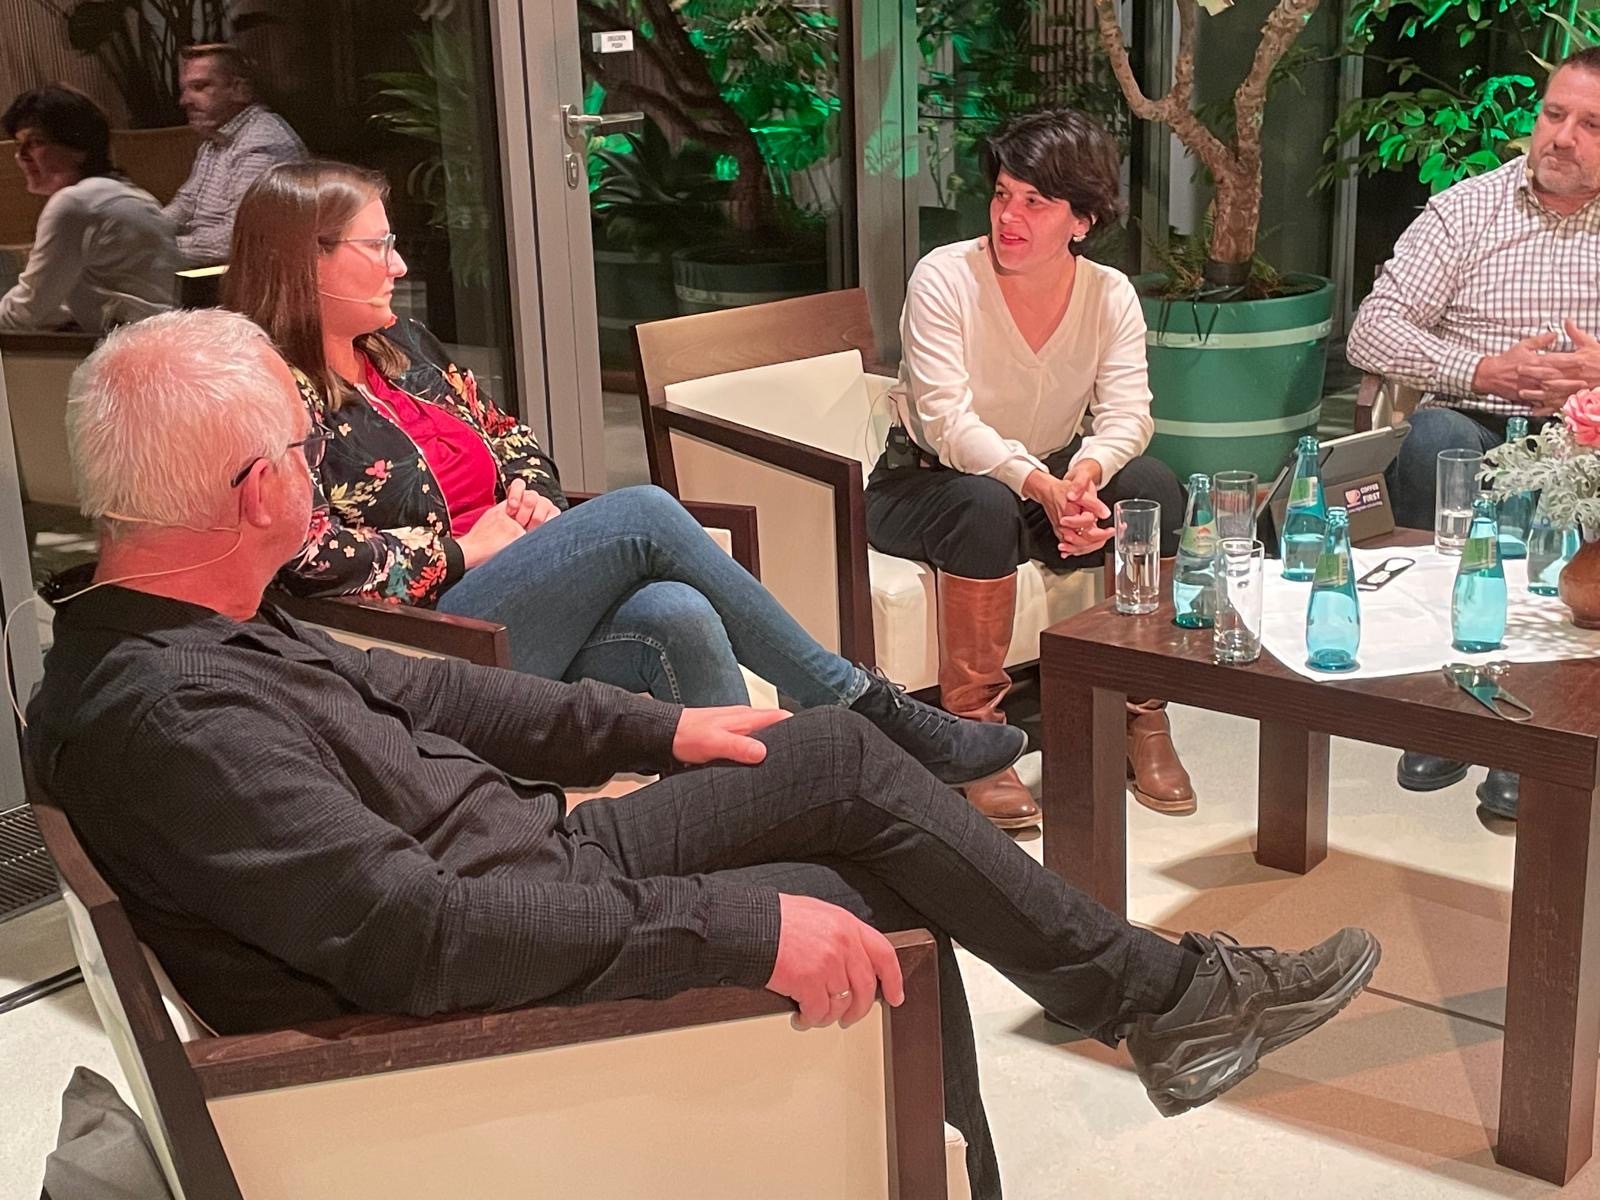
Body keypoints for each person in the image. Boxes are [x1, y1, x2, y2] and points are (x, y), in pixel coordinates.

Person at [24, 308, 1382, 1200]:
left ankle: (1130, 1020)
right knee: (848, 880)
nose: (321, 471)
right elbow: (421, 943)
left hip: (523, 871)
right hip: (475, 979)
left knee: (830, 758)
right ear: (255, 492)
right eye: (304, 451)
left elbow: (436, 704)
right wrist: (735, 937)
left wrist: (662, 725)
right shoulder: (169, 719)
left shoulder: (192, 634)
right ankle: (1141, 1015)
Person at [221, 158, 1022, 790]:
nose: (398, 264)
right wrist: (469, 550)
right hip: (428, 644)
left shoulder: (404, 352)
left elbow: (512, 436)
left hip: (512, 596)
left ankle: (776, 804)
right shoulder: (264, 393)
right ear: (306, 260)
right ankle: (853, 701)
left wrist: (530, 500)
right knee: (641, 511)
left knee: (673, 610)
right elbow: (303, 554)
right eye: (378, 246)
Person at [865, 108, 1194, 829]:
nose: (1009, 216)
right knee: (984, 505)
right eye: (1003, 195)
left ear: (1082, 219)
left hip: (1043, 478)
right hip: (925, 483)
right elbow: (948, 422)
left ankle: (1144, 715)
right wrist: (1041, 488)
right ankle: (978, 742)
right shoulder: (945, 278)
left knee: (1154, 489)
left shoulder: (1109, 295)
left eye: (1034, 202)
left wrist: (1086, 476)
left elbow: (1129, 412)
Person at [1345, 46, 1600, 823]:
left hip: (1591, 439)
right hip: (1479, 423)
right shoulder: (1466, 211)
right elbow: (1373, 331)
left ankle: (1548, 719)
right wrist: (1486, 369)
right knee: (1428, 440)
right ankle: (1454, 699)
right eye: (1554, 114)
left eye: (1591, 125)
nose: (1562, 137)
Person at [0, 86, 179, 331]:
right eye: (19, 144)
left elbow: (27, 311)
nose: (21, 156)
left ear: (79, 147)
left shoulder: (75, 204)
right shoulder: (127, 193)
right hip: (158, 338)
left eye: (36, 142)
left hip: (134, 348)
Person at [162, 43, 304, 266]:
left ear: (240, 90)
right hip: (205, 263)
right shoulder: (216, 137)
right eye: (184, 90)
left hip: (243, 274)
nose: (184, 100)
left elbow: (236, 239)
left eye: (200, 87)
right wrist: (145, 230)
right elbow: (185, 203)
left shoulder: (262, 143)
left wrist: (154, 248)